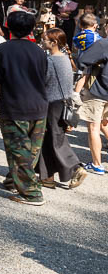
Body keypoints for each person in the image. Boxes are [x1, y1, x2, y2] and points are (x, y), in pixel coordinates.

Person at [0, 10, 49, 205]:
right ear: (32, 29)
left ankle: (32, 193)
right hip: (39, 105)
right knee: (31, 150)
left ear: (8, 27)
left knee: (19, 150)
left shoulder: (2, 50)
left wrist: (5, 93)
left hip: (14, 105)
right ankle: (14, 179)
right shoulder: (39, 51)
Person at [37, 28, 88, 189]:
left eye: (45, 39)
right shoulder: (65, 59)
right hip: (63, 103)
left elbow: (42, 82)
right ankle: (47, 176)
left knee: (55, 139)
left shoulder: (50, 61)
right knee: (49, 139)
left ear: (54, 42)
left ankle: (75, 168)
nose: (42, 42)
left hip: (52, 103)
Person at [73, 24, 108, 175]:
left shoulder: (103, 43)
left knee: (94, 128)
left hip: (99, 90)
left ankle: (97, 164)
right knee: (104, 123)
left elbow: (82, 61)